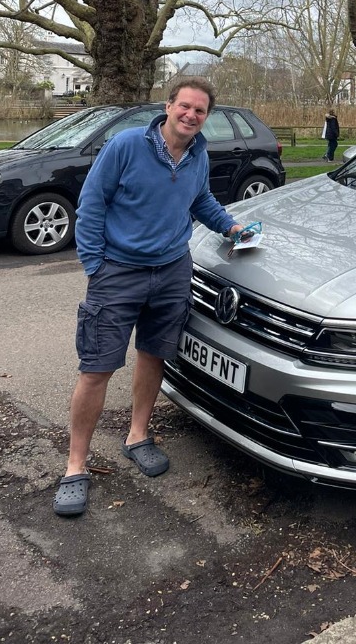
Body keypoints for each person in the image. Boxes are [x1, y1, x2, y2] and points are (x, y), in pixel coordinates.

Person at [53, 77, 249, 517]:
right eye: (185, 106)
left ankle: (137, 435)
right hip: (117, 272)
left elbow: (201, 200)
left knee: (154, 354)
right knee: (96, 368)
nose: (190, 115)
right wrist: (95, 266)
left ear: (206, 117)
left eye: (200, 110)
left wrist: (232, 227)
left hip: (173, 271)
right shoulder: (126, 146)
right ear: (168, 106)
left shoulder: (198, 154)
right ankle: (75, 465)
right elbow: (92, 204)